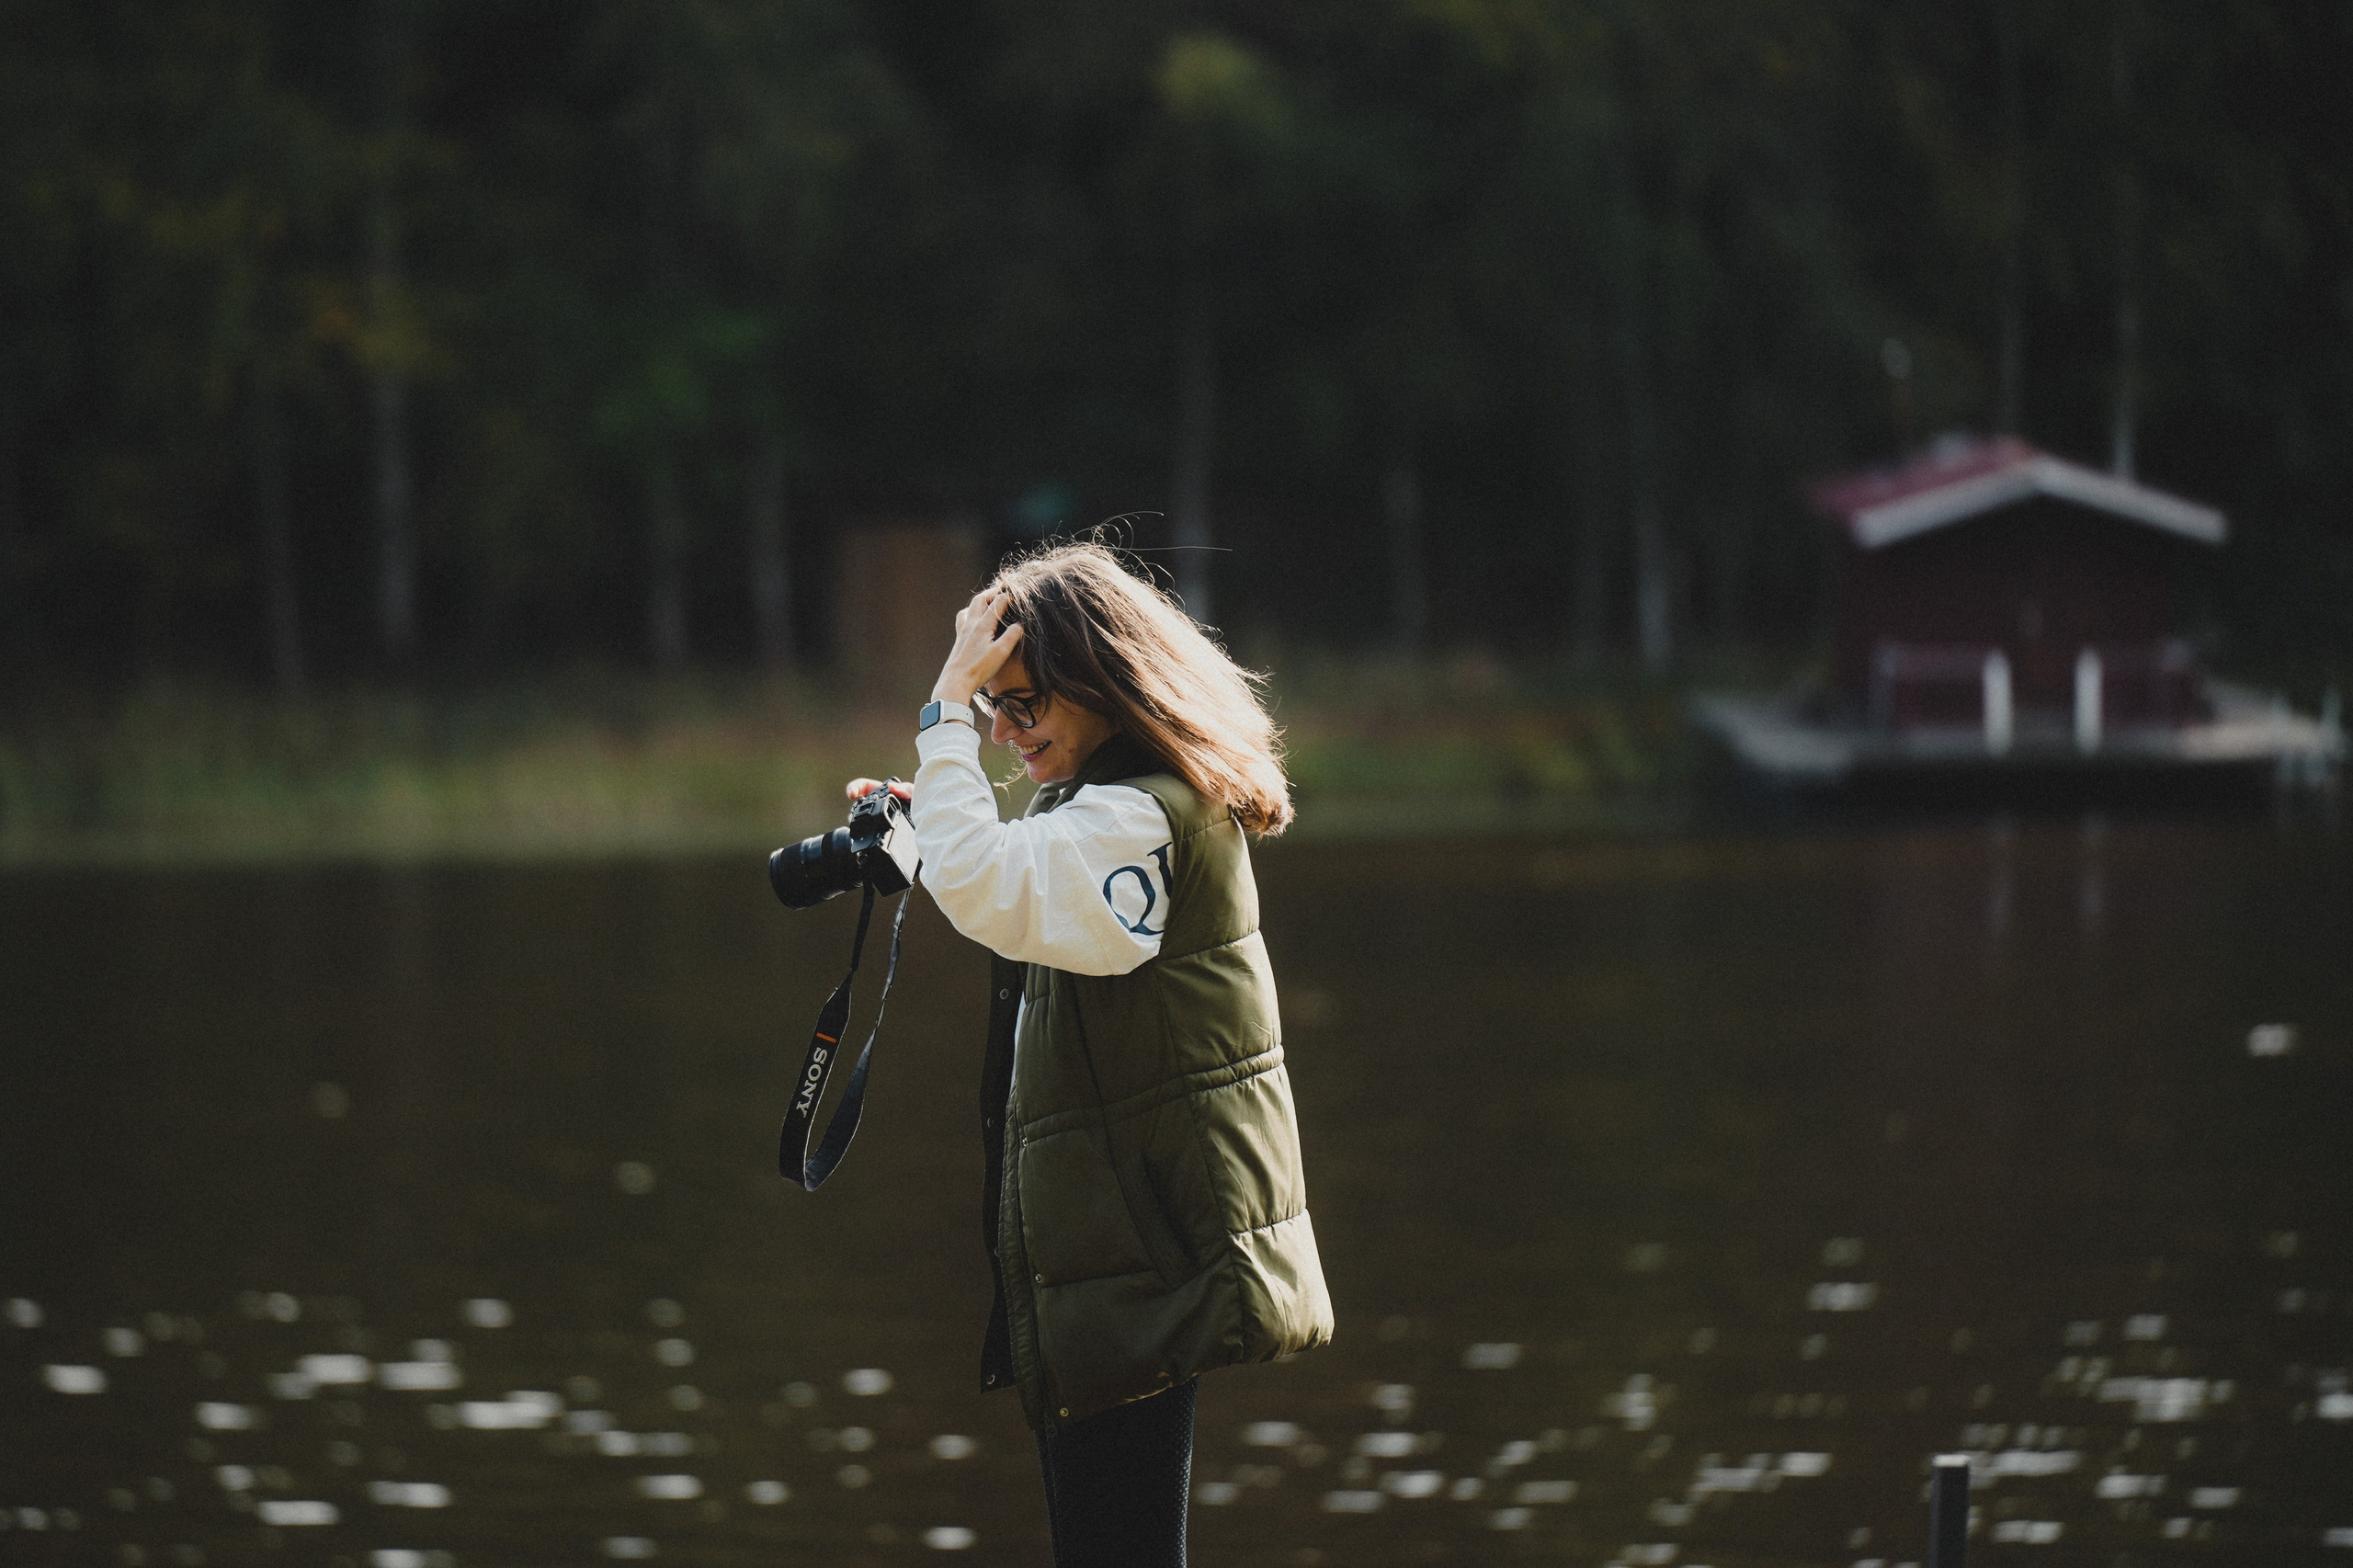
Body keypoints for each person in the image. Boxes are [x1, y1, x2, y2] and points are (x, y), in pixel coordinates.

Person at [847, 541, 1333, 1567]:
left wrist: (943, 712)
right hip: (1122, 1240)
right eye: (994, 709)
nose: (1008, 730)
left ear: (1101, 680)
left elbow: (999, 885)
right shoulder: (1123, 803)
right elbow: (1022, 878)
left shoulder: (1135, 816)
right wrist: (932, 809)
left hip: (1136, 1251)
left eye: (1024, 703)